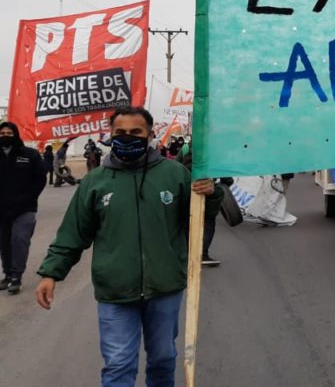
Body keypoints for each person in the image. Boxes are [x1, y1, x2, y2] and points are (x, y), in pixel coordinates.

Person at [34, 106, 224, 387]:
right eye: (120, 132)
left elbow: (201, 216)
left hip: (165, 286)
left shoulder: (175, 175)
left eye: (136, 132)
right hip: (115, 290)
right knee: (119, 364)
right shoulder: (95, 182)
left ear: (149, 134)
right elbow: (73, 233)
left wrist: (212, 192)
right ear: (110, 135)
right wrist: (51, 272)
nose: (128, 137)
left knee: (162, 359)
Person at [0, 122, 47, 295]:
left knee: (19, 240)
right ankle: (7, 274)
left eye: (9, 132)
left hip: (24, 209)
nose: (5, 135)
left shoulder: (30, 154)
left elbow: (40, 180)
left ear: (16, 134)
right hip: (2, 211)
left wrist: (25, 200)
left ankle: (16, 277)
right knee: (4, 244)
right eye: (2, 132)